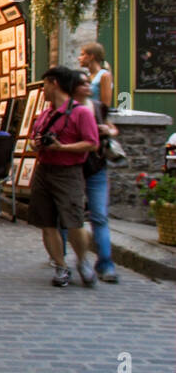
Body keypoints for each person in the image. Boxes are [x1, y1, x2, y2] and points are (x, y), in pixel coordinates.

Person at [30, 67, 101, 287]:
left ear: (54, 83)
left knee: (74, 221)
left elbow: (91, 143)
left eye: (44, 86)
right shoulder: (45, 114)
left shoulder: (81, 112)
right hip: (44, 170)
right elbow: (34, 138)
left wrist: (63, 147)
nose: (43, 90)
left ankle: (82, 261)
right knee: (47, 222)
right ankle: (61, 266)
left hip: (68, 172)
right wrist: (36, 143)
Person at [58, 72, 119, 283]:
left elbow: (113, 127)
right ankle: (61, 258)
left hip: (96, 166)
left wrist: (108, 131)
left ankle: (105, 263)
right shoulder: (65, 109)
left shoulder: (98, 106)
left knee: (99, 216)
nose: (88, 86)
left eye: (87, 82)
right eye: (82, 83)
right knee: (67, 215)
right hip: (72, 168)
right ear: (73, 87)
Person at [78, 42, 113, 107]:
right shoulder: (87, 76)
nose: (79, 58)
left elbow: (105, 106)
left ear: (91, 56)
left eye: (82, 54)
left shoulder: (104, 76)